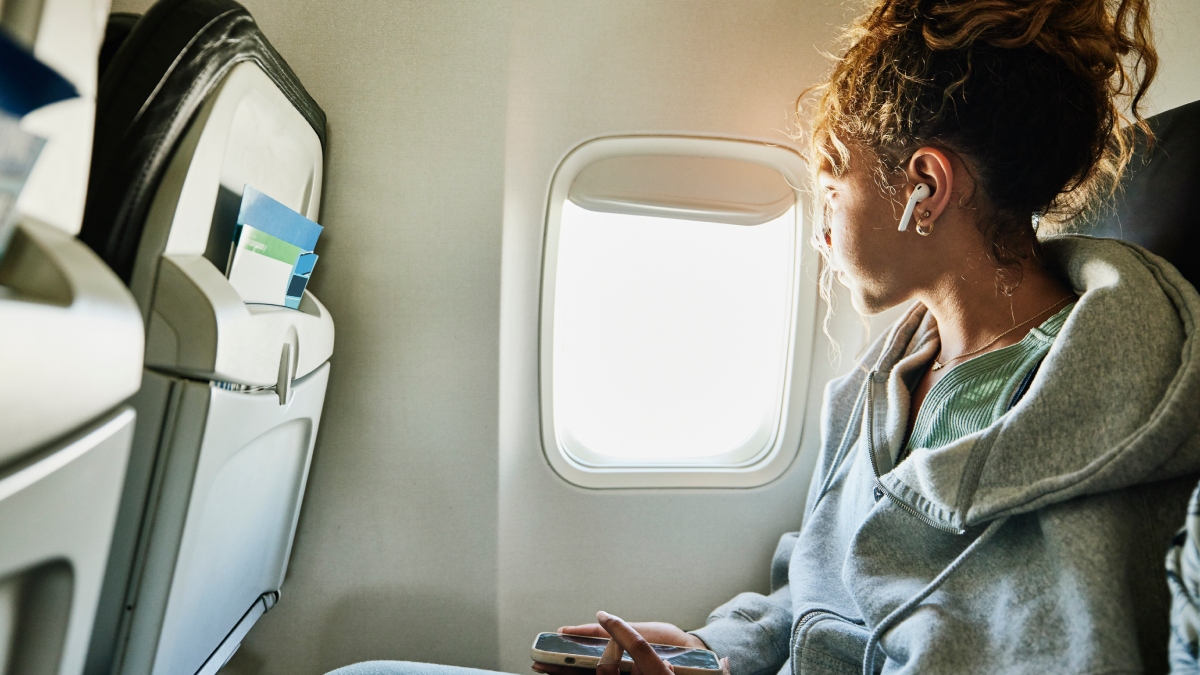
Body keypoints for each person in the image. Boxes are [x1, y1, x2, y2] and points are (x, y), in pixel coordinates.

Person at [331, 0, 1200, 673]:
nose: (824, 228)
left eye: (835, 183)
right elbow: (813, 593)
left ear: (924, 188)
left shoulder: (1096, 409)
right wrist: (711, 651)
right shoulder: (886, 377)